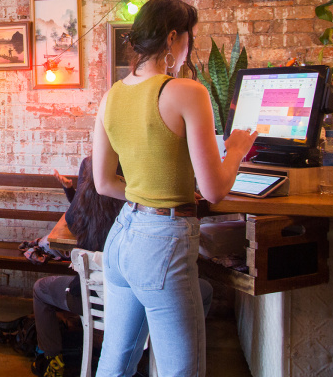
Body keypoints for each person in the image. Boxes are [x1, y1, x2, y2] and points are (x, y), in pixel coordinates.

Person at [92, 0, 257, 377]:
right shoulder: (187, 91)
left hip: (122, 237)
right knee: (182, 371)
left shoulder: (112, 96)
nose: (187, 49)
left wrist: (152, 193)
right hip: (162, 244)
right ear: (172, 38)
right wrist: (236, 150)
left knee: (115, 364)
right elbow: (214, 191)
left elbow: (104, 182)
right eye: (188, 38)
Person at [31, 158, 214, 377]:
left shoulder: (91, 192)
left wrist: (72, 192)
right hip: (145, 296)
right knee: (203, 290)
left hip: (90, 298)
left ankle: (52, 359)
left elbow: (72, 220)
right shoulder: (143, 208)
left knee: (40, 289)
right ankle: (164, 348)